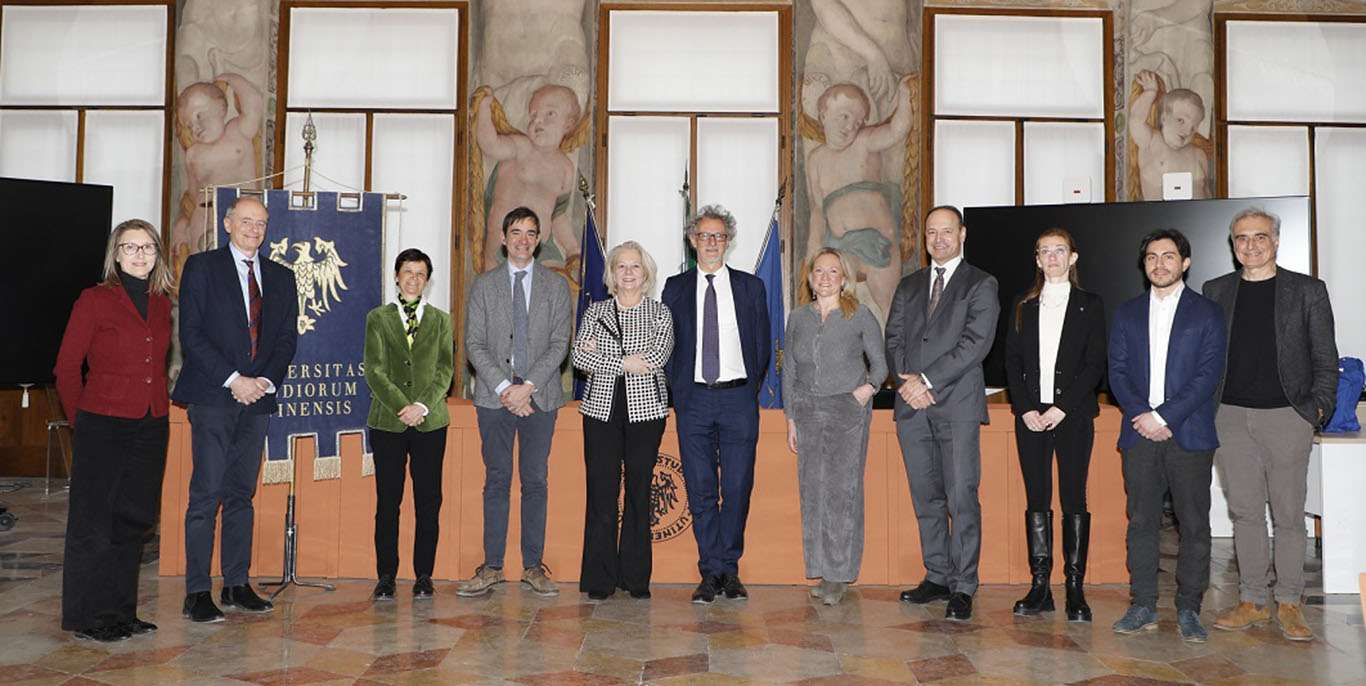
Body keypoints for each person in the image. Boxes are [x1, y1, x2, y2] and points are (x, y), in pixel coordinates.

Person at [1205, 208, 1338, 642]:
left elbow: (1326, 359)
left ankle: (1290, 602)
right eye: (1241, 238)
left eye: (1259, 236)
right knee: (1244, 512)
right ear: (1232, 243)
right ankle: (1252, 601)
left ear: (1276, 240)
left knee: (1287, 515)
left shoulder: (1307, 291)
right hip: (1230, 417)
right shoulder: (1216, 290)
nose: (1250, 245)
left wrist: (1316, 410)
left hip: (1288, 416)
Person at [174, 195, 298, 622]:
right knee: (206, 495)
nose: (253, 229)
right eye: (245, 221)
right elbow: (191, 335)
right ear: (227, 223)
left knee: (241, 495)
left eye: (261, 223)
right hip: (213, 396)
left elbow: (285, 341)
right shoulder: (201, 267)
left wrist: (262, 382)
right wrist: (234, 380)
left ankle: (235, 584)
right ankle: (196, 592)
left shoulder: (281, 277)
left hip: (259, 400)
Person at [53, 220, 175, 642]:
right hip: (101, 424)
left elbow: (154, 364)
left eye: (147, 248)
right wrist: (80, 422)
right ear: (115, 255)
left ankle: (121, 612)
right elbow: (67, 367)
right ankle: (87, 617)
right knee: (93, 523)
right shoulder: (95, 300)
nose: (139, 255)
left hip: (151, 424)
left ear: (157, 255)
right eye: (130, 247)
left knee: (133, 521)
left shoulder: (161, 304)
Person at [1108, 229, 1226, 643]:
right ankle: (1142, 603)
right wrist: (1143, 415)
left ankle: (1190, 608)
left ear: (1185, 263)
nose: (1160, 264)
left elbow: (1207, 375)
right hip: (1139, 433)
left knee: (1193, 524)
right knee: (1141, 521)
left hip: (1189, 432)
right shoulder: (1126, 313)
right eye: (1152, 257)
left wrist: (1166, 416)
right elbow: (1117, 372)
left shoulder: (1207, 313)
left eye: (1169, 256)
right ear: (1144, 265)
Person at [885, 205, 999, 622]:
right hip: (912, 409)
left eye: (946, 231)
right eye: (932, 232)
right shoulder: (909, 285)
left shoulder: (981, 284)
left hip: (956, 407)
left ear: (962, 234)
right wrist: (907, 384)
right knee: (926, 497)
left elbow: (976, 343)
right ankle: (936, 574)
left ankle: (963, 585)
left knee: (961, 496)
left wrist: (927, 382)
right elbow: (893, 338)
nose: (939, 239)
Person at [461, 206, 573, 597]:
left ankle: (532, 566)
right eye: (516, 232)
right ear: (504, 238)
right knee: (496, 480)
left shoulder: (556, 287)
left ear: (539, 240)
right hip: (494, 401)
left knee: (535, 481)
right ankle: (492, 567)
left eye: (531, 233)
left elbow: (561, 343)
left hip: (540, 399)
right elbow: (474, 344)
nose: (523, 239)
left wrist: (528, 388)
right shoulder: (484, 285)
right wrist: (507, 388)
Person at [662, 204, 771, 604]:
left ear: (728, 242)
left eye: (719, 236)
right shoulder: (674, 288)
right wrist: (681, 393)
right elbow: (669, 346)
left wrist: (745, 389)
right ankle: (711, 572)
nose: (712, 243)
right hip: (693, 402)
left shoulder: (750, 287)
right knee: (701, 489)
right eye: (704, 236)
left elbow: (761, 348)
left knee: (739, 486)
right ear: (692, 241)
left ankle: (731, 569)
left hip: (739, 400)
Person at [1003, 228, 1107, 621]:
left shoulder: (1090, 304)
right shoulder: (1023, 305)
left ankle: (1075, 590)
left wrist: (1062, 407)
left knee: (1073, 498)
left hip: (1073, 414)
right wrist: (1025, 407)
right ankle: (1041, 586)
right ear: (1036, 259)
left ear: (1073, 257)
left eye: (1059, 250)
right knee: (1036, 498)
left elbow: (1095, 363)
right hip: (1030, 416)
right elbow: (1012, 361)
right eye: (1044, 251)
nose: (1052, 257)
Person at [783, 248, 886, 606]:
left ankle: (838, 575)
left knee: (842, 492)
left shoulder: (859, 315)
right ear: (810, 279)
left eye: (833, 272)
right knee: (813, 492)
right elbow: (791, 373)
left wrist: (866, 389)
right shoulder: (797, 318)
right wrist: (791, 418)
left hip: (847, 410)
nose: (825, 278)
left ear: (844, 279)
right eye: (819, 272)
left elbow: (880, 363)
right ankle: (820, 567)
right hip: (807, 412)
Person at [572, 241, 674, 601]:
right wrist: (627, 361)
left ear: (645, 274)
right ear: (611, 274)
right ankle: (600, 579)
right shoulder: (594, 311)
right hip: (600, 411)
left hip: (645, 413)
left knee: (638, 492)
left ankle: (635, 577)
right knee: (601, 493)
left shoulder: (660, 313)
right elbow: (579, 358)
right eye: (621, 267)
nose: (628, 273)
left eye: (635, 267)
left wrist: (605, 354)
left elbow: (657, 357)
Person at [363, 248, 454, 601]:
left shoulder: (441, 320)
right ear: (397, 277)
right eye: (407, 272)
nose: (414, 278)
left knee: (428, 500)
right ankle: (386, 575)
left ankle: (424, 575)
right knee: (388, 500)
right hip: (388, 422)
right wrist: (403, 406)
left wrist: (421, 405)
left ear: (427, 280)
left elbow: (445, 369)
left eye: (420, 273)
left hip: (431, 422)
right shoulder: (377, 318)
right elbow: (374, 369)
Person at [805, 76, 914, 319]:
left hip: (878, 242)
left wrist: (905, 94)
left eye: (857, 122)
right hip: (840, 246)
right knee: (835, 308)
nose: (850, 126)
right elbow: (817, 210)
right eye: (845, 116)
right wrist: (812, 252)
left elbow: (898, 129)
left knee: (889, 311)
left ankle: (891, 354)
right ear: (824, 114)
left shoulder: (865, 141)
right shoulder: (817, 159)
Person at [476, 84, 581, 271]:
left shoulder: (565, 168)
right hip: (504, 244)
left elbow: (558, 215)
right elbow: (490, 144)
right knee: (498, 287)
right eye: (533, 115)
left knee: (554, 282)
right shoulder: (521, 147)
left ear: (569, 124)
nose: (538, 121)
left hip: (542, 249)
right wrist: (483, 109)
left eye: (549, 114)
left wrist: (573, 248)